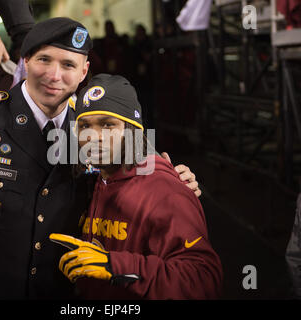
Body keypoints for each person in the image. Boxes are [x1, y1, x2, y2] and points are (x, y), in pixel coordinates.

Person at [0, 17, 200, 299]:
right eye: (44, 59)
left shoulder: (91, 131)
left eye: (68, 64)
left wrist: (174, 182)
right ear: (26, 61)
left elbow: (138, 176)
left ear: (83, 72)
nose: (54, 76)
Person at [50, 74, 222, 299]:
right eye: (84, 126)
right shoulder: (94, 181)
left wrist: (117, 266)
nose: (94, 137)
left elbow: (203, 279)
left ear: (132, 130)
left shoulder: (164, 190)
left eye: (108, 124)